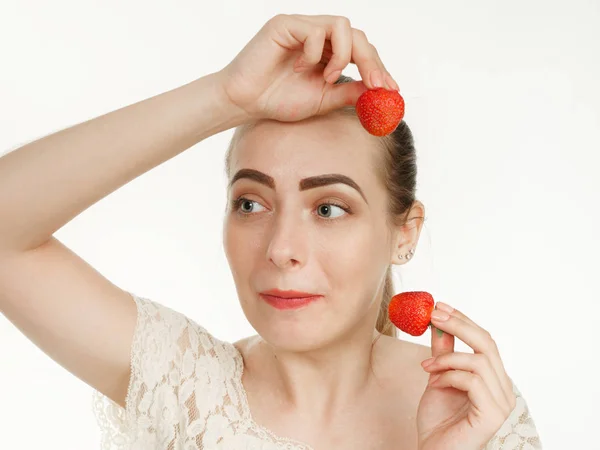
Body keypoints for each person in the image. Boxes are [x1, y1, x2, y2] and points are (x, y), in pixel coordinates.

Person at [0, 13, 541, 450]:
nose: (281, 249)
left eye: (329, 208)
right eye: (252, 203)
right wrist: (227, 97)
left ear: (405, 233)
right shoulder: (188, 390)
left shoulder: (476, 414)